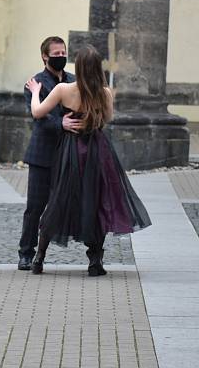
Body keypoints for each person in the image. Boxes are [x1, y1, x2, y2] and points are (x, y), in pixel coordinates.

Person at [26, 45, 151, 275]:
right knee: (96, 202)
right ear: (98, 68)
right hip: (97, 150)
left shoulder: (64, 89)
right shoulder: (105, 93)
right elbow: (107, 119)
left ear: (80, 67)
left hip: (69, 152)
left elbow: (37, 112)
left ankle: (39, 258)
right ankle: (95, 262)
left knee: (58, 200)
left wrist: (35, 92)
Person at [17, 36, 81, 271]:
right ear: (45, 56)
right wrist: (60, 124)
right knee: (35, 207)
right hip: (43, 155)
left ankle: (92, 251)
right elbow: (39, 118)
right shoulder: (35, 83)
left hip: (70, 153)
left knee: (73, 203)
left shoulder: (75, 81)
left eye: (63, 52)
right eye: (55, 54)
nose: (61, 57)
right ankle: (26, 253)